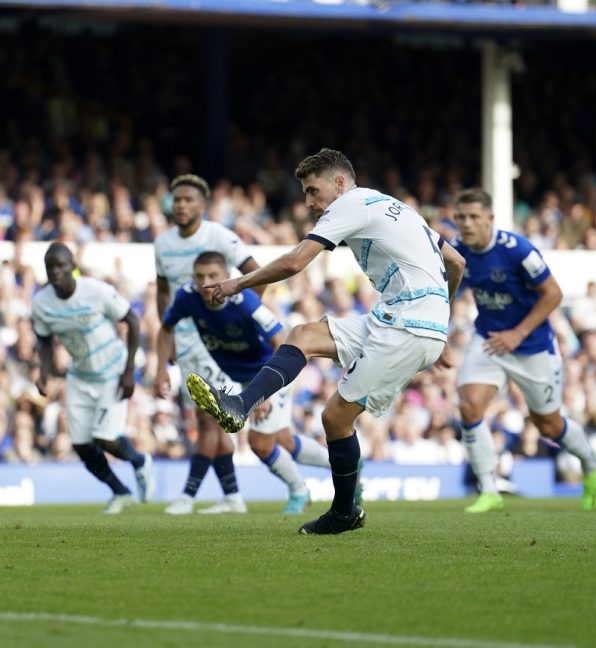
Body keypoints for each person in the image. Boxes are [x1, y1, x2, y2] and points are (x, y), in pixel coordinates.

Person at [188, 148, 466, 535]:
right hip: (403, 319)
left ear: (339, 183)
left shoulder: (348, 204)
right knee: (303, 334)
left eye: (313, 191)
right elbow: (455, 262)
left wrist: (236, 284)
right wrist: (441, 323)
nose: (309, 202)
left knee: (335, 417)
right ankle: (239, 405)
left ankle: (344, 511)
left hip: (407, 323)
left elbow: (294, 262)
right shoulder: (396, 207)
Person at [442, 188, 596, 512]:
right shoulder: (458, 252)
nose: (467, 223)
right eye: (461, 217)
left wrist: (518, 333)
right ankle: (489, 489)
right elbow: (446, 292)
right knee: (470, 406)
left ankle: (590, 462)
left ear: (490, 219)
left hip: (531, 346)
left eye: (474, 217)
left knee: (548, 425)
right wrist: (437, 337)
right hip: (488, 339)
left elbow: (553, 294)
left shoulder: (518, 250)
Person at [155, 252, 331, 514]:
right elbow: (166, 327)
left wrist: (264, 392)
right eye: (200, 276)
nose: (206, 282)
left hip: (271, 371)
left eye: (213, 276)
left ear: (226, 277)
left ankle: (299, 491)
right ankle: (344, 462)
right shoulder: (186, 297)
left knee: (259, 443)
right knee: (284, 441)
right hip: (235, 376)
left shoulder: (245, 301)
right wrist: (161, 368)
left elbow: (281, 342)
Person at [155, 174, 262, 515]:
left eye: (189, 200)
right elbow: (162, 290)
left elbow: (256, 273)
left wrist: (238, 319)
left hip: (215, 342)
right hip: (184, 342)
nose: (182, 205)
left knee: (212, 419)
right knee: (204, 420)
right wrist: (167, 334)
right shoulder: (162, 243)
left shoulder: (218, 235)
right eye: (177, 200)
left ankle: (189, 495)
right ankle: (232, 496)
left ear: (201, 205)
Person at [31, 242, 154, 514]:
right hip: (80, 376)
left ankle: (138, 460)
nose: (55, 272)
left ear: (73, 267)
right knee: (81, 445)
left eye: (61, 265)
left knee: (104, 438)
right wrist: (43, 372)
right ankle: (120, 492)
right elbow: (43, 340)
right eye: (50, 267)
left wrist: (129, 370)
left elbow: (132, 320)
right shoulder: (41, 303)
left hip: (112, 372)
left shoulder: (95, 291)